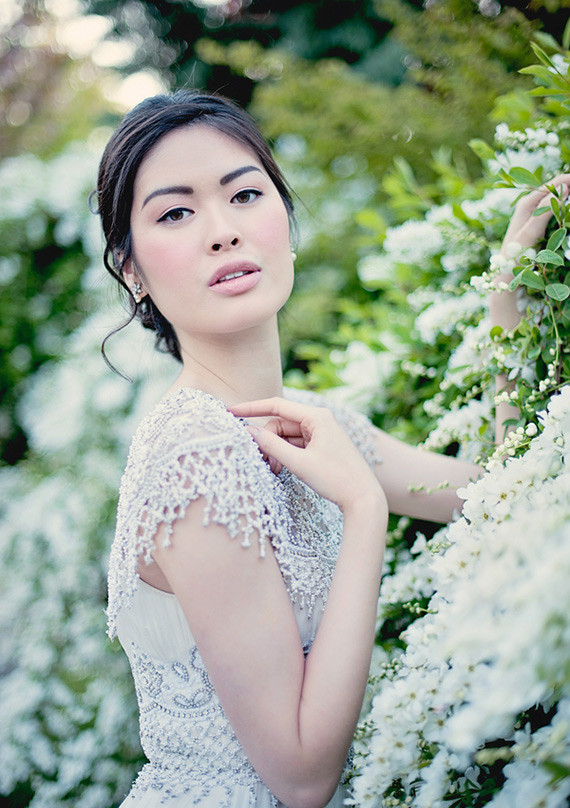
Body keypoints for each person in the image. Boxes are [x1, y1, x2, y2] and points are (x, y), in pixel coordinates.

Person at [98, 90, 568, 808]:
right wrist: (364, 508)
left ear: (285, 221)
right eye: (175, 213)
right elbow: (302, 775)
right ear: (132, 272)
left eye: (245, 194)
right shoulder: (194, 453)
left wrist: (507, 295)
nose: (222, 231)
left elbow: (506, 499)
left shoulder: (316, 425)